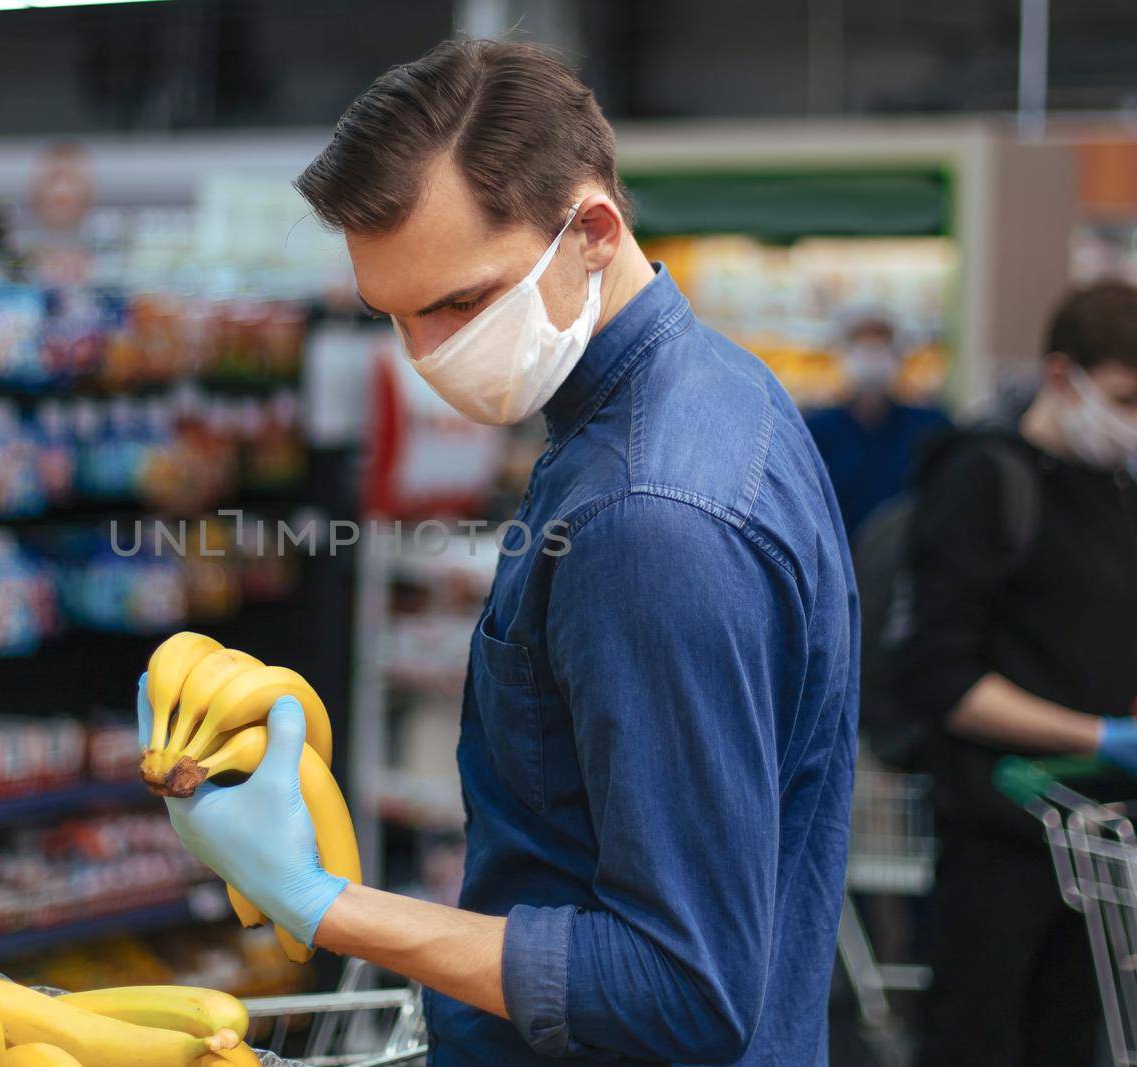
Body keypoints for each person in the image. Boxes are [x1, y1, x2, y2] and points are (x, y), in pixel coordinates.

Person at [137, 39, 858, 1065]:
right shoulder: (712, 394)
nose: (428, 357)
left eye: (460, 304)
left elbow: (682, 987)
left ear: (593, 231)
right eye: (393, 316)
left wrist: (322, 902)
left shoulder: (648, 518)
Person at [901, 280, 1137, 1067]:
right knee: (980, 1040)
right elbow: (942, 677)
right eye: (1125, 397)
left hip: (1096, 841)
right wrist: (1100, 735)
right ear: (1062, 375)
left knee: (1071, 1041)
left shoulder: (1114, 489)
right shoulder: (985, 479)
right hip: (997, 837)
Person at [806, 313, 951, 538]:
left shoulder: (929, 427)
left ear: (898, 355)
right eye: (864, 348)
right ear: (844, 355)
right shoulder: (817, 430)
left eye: (880, 347)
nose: (872, 358)